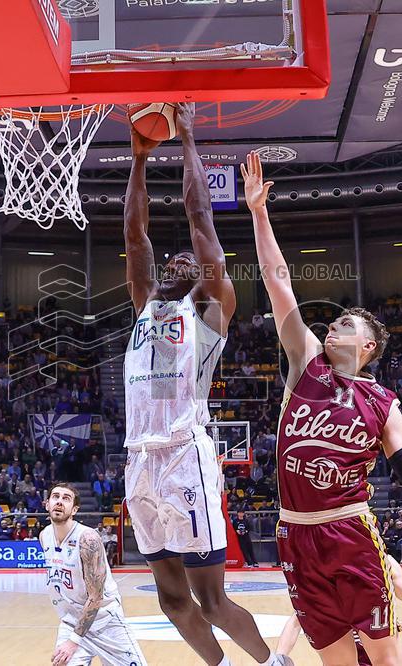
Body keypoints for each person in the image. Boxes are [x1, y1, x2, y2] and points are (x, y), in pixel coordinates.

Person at [243, 150, 402, 666]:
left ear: (369, 347)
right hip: (295, 532)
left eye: (346, 326)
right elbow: (279, 282)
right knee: (335, 661)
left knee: (385, 658)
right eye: (333, 323)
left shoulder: (383, 402)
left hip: (350, 531)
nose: (332, 327)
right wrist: (259, 215)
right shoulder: (306, 362)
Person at [122, 105, 286, 666]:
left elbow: (201, 220)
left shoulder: (211, 312)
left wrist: (187, 135)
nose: (178, 257)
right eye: (174, 257)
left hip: (184, 455)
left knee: (211, 599)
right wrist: (140, 160)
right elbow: (135, 232)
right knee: (171, 601)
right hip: (139, 460)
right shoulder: (147, 303)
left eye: (189, 258)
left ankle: (270, 663)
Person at [277, 555, 402, 664]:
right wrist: (279, 658)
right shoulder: (326, 570)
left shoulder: (385, 564)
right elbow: (296, 621)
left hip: (384, 658)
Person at [41, 484, 146, 666]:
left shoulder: (87, 539)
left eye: (66, 498)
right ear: (47, 504)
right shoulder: (45, 536)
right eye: (55, 497)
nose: (59, 501)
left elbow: (96, 597)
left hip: (105, 622)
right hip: (71, 621)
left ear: (74, 509)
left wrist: (74, 640)